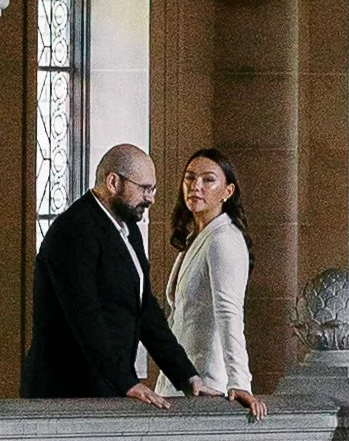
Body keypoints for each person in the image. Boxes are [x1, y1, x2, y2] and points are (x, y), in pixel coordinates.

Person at [22, 143, 214, 402]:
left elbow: (145, 310)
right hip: (68, 391)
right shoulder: (74, 230)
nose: (151, 199)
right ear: (113, 182)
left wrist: (188, 378)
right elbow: (85, 316)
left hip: (105, 387)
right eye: (144, 189)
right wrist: (127, 383)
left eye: (153, 189)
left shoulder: (127, 227)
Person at [159, 145, 264, 417]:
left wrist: (240, 382)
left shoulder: (223, 239)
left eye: (208, 179)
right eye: (190, 178)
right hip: (179, 381)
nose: (196, 186)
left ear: (227, 192)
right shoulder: (196, 238)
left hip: (207, 382)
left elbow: (229, 313)